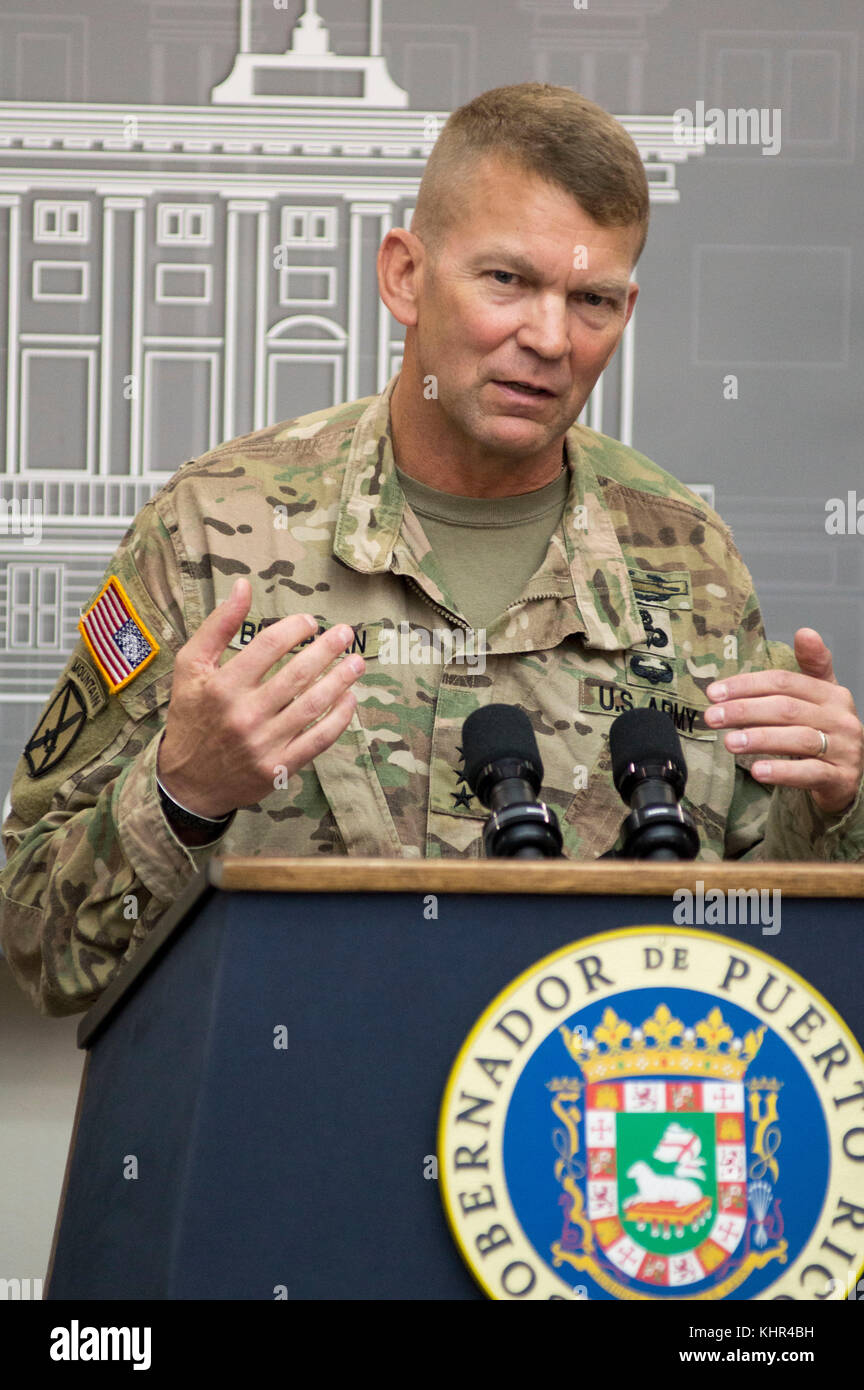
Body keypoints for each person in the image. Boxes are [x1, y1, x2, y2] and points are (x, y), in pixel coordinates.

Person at [1, 83, 862, 1017]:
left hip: (584, 1136)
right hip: (294, 1136)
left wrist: (837, 810)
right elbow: (41, 944)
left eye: (593, 300)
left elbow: (774, 973)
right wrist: (186, 792)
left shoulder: (688, 560)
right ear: (405, 275)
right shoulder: (213, 531)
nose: (549, 337)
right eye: (507, 281)